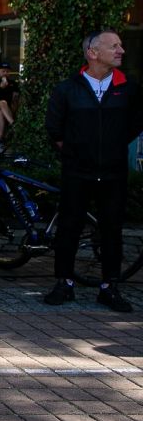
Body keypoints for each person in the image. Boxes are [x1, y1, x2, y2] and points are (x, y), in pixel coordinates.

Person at [43, 30, 143, 313]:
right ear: (93, 53)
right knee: (69, 227)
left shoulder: (130, 89)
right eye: (114, 46)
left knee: (112, 229)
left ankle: (109, 287)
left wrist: (110, 147)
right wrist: (77, 151)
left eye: (120, 46)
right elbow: (55, 128)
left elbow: (134, 124)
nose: (121, 50)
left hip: (113, 172)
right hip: (76, 171)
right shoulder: (67, 89)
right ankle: (64, 283)